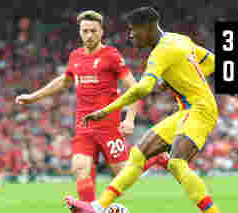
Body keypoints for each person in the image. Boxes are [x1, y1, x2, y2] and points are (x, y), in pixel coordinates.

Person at [65, 7, 220, 213]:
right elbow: (211, 62)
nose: (131, 35)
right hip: (189, 109)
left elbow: (143, 88)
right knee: (138, 153)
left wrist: (106, 111)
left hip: (200, 109)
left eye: (133, 29)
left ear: (147, 28)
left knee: (176, 164)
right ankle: (97, 207)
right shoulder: (179, 39)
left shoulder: (160, 52)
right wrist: (179, 77)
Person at [16, 10, 166, 209]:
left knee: (124, 174)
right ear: (79, 32)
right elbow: (64, 81)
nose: (89, 35)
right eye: (85, 31)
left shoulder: (111, 55)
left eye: (93, 31)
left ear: (101, 32)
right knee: (79, 168)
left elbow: (134, 87)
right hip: (83, 125)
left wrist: (129, 119)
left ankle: (155, 158)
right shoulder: (75, 56)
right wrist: (33, 97)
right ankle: (90, 208)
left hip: (108, 124)